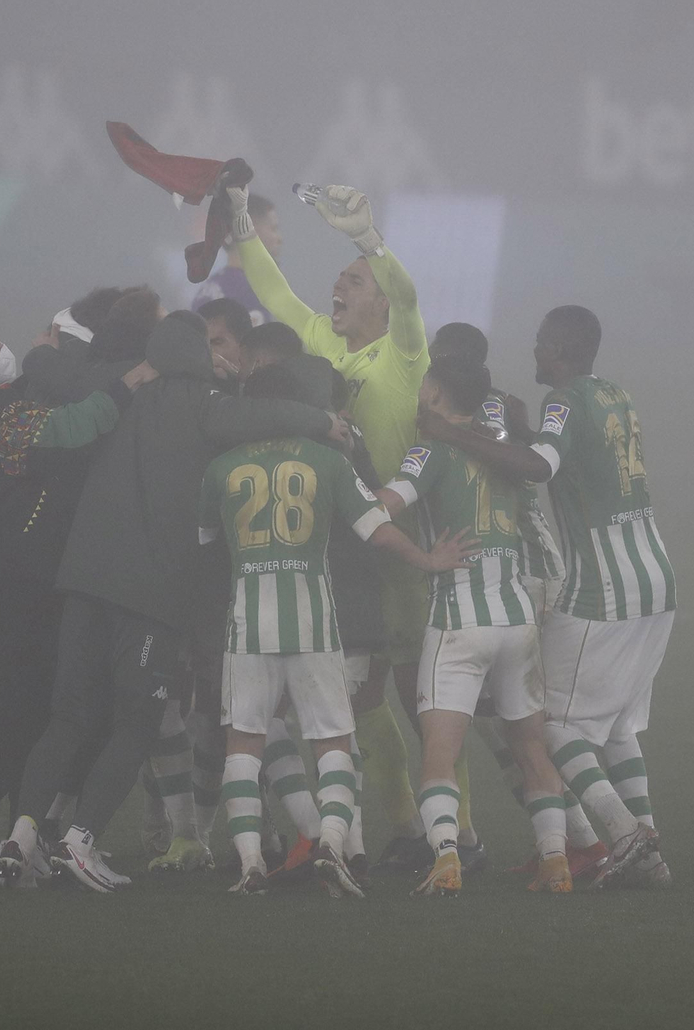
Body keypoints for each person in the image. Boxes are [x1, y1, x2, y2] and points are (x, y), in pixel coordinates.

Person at [0, 310, 349, 892]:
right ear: (196, 357)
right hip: (152, 592)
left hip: (84, 581)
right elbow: (267, 414)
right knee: (134, 725)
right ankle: (82, 842)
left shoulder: (125, 391)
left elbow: (61, 377)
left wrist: (41, 353)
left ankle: (21, 838)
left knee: (68, 717)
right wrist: (323, 420)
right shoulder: (207, 406)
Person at [229, 178, 457, 874]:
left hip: (412, 549)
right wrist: (237, 217)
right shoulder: (324, 345)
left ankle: (463, 837)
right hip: (357, 556)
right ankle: (405, 827)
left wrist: (367, 240)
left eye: (355, 282)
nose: (340, 286)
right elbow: (273, 295)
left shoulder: (404, 352)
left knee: (432, 711)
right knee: (364, 704)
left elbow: (411, 298)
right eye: (342, 278)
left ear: (382, 303)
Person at [416, 305, 674, 887]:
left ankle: (616, 834)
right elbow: (559, 454)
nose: (532, 352)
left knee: (546, 720)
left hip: (598, 582)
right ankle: (648, 856)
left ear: (557, 347)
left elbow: (535, 467)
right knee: (614, 723)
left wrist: (446, 432)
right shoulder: (614, 395)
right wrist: (525, 429)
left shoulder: (556, 401)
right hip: (656, 573)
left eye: (539, 343)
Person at [199, 360, 477, 897]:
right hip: (314, 622)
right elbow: (376, 530)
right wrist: (427, 559)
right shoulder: (327, 459)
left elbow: (207, 542)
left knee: (243, 743)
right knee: (333, 742)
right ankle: (332, 843)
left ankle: (252, 864)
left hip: (245, 624)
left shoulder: (221, 468)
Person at [0, 312, 157, 884]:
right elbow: (74, 426)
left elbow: (8, 419)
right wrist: (131, 380)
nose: (3, 346)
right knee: (12, 709)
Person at [373, 356, 573, 896]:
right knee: (532, 749)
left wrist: (420, 556)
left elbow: (381, 509)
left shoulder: (430, 450)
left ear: (437, 393)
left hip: (458, 620)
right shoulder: (504, 450)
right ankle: (556, 861)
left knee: (439, 754)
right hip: (516, 619)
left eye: (423, 387)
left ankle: (445, 860)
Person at [191, 193, 281, 326]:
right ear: (250, 228)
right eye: (273, 228)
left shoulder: (207, 289)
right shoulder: (252, 291)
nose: (279, 238)